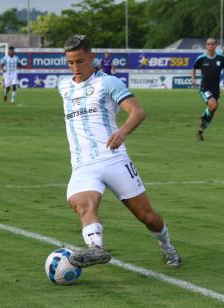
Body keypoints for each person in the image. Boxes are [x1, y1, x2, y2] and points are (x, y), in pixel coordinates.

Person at [57, 35, 182, 268]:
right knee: (82, 205)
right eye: (70, 63)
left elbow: (137, 111)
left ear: (92, 57)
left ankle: (166, 245)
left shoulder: (108, 83)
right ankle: (96, 248)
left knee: (147, 216)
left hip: (113, 159)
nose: (75, 68)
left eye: (80, 61)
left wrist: (122, 132)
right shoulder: (63, 86)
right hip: (82, 164)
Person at [191, 38, 224, 141]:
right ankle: (204, 114)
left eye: (212, 44)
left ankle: (200, 131)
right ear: (206, 46)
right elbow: (194, 68)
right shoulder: (201, 58)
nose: (210, 46)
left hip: (216, 89)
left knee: (213, 111)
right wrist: (192, 78)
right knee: (213, 105)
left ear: (216, 45)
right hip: (205, 87)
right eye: (208, 44)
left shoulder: (221, 58)